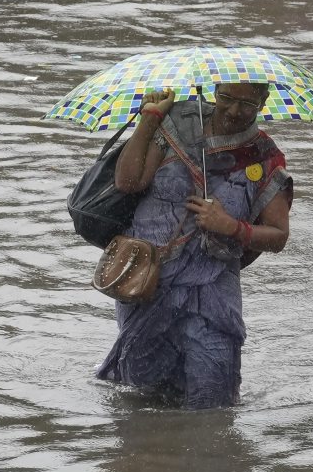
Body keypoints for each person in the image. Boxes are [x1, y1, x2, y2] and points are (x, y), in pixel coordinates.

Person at [95, 83, 293, 409]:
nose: (233, 111)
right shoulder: (178, 123)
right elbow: (128, 182)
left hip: (213, 290)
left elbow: (278, 235)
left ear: (264, 101)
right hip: (149, 280)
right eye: (226, 98)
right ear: (215, 90)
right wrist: (148, 120)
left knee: (212, 402)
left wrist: (231, 226)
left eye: (246, 103)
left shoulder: (264, 156)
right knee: (138, 397)